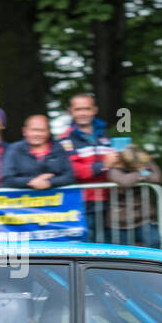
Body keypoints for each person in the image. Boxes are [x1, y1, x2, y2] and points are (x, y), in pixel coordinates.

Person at [58, 93, 116, 241]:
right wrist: (103, 165)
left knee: (108, 248)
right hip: (81, 202)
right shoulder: (64, 138)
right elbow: (71, 170)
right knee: (88, 248)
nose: (83, 113)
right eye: (78, 109)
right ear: (70, 111)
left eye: (87, 109)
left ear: (94, 110)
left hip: (109, 200)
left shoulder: (105, 136)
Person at [106, 144, 162, 248]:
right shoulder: (114, 169)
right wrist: (142, 172)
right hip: (120, 222)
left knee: (155, 244)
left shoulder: (144, 162)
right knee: (123, 256)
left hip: (144, 219)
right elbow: (125, 181)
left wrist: (147, 161)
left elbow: (157, 178)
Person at [1, 115, 74, 189]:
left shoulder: (58, 148)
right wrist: (32, 181)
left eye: (42, 130)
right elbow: (7, 179)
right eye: (33, 130)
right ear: (24, 131)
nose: (37, 134)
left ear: (48, 132)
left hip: (57, 198)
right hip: (22, 199)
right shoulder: (14, 149)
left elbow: (70, 177)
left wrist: (49, 182)